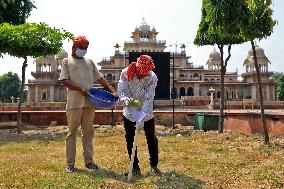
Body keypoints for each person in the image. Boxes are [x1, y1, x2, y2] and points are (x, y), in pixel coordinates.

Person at [59, 36, 117, 173]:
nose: (84, 50)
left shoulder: (89, 62)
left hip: (90, 102)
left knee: (88, 132)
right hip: (74, 103)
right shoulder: (67, 61)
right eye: (82, 48)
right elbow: (65, 81)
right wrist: (80, 90)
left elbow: (101, 78)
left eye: (86, 48)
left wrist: (112, 91)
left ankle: (89, 162)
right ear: (74, 47)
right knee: (72, 132)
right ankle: (70, 164)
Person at [118, 55, 161, 176]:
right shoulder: (125, 73)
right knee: (130, 139)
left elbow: (149, 98)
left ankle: (154, 165)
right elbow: (122, 90)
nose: (143, 76)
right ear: (137, 69)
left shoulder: (152, 77)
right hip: (130, 110)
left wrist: (142, 116)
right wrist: (125, 99)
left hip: (146, 111)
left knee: (151, 138)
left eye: (145, 74)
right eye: (141, 74)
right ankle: (135, 167)